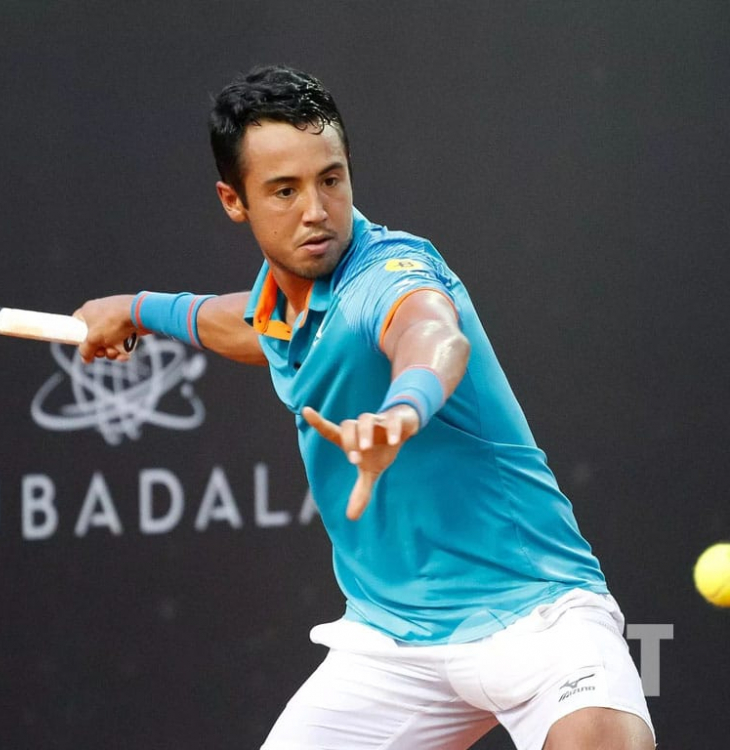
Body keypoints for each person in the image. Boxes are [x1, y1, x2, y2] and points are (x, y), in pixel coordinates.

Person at [74, 65, 655, 749]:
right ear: (235, 201)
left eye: (331, 179)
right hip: (391, 640)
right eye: (284, 191)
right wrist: (140, 310)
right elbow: (249, 325)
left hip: (538, 615)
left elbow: (431, 335)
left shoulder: (389, 274)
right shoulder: (283, 303)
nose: (317, 210)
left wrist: (402, 412)